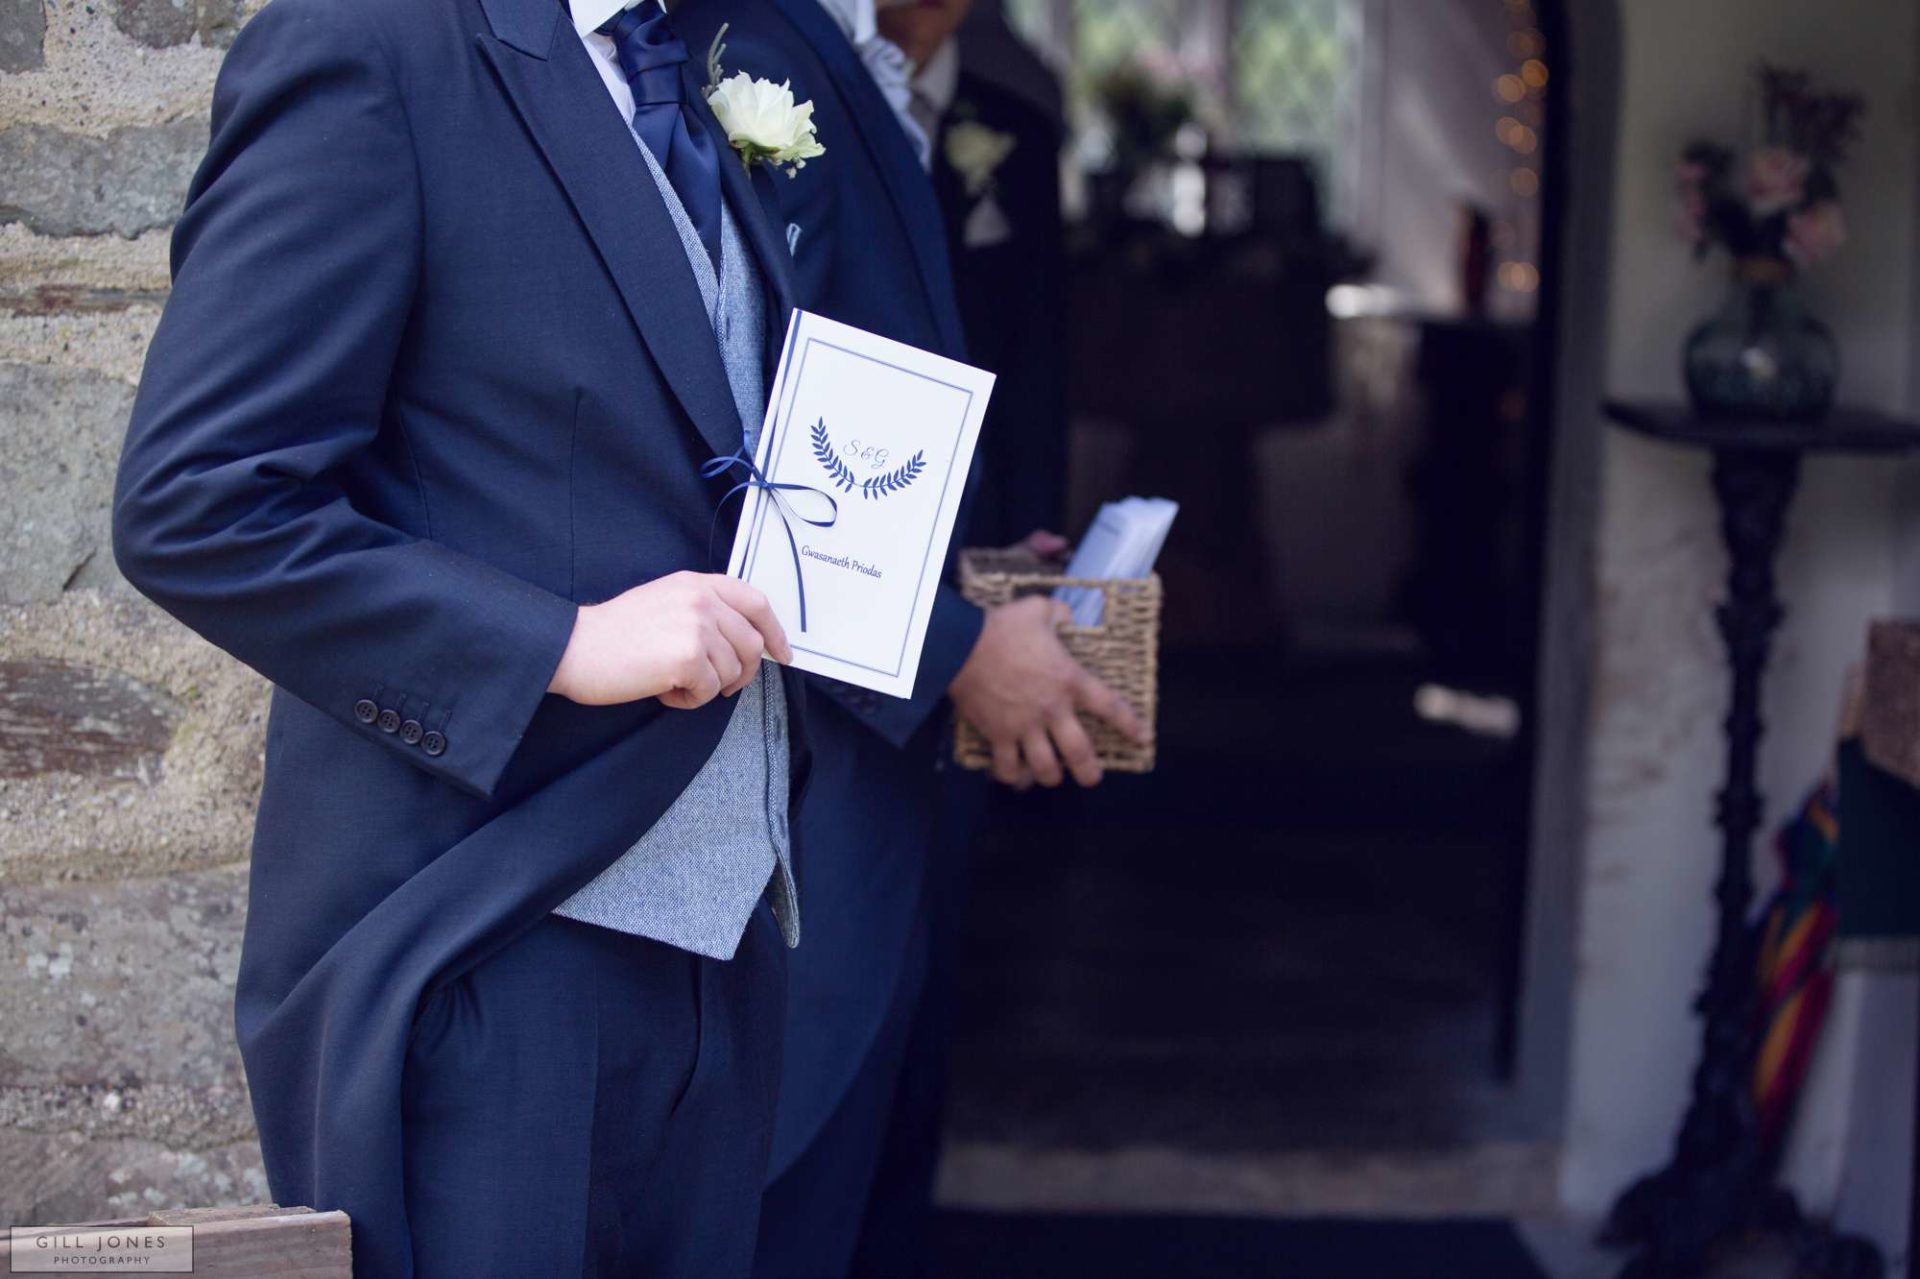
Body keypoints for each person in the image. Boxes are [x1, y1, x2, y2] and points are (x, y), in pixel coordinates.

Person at [111, 0, 812, 1274]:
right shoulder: (364, 47)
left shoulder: (686, 58)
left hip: (721, 946)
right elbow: (197, 503)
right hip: (493, 937)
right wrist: (557, 645)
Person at [671, 2, 1145, 1276]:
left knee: (881, 1126)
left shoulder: (856, 69)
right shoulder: (742, 56)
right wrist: (959, 652)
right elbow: (747, 415)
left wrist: (993, 572)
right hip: (794, 745)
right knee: (786, 1174)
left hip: (894, 718)